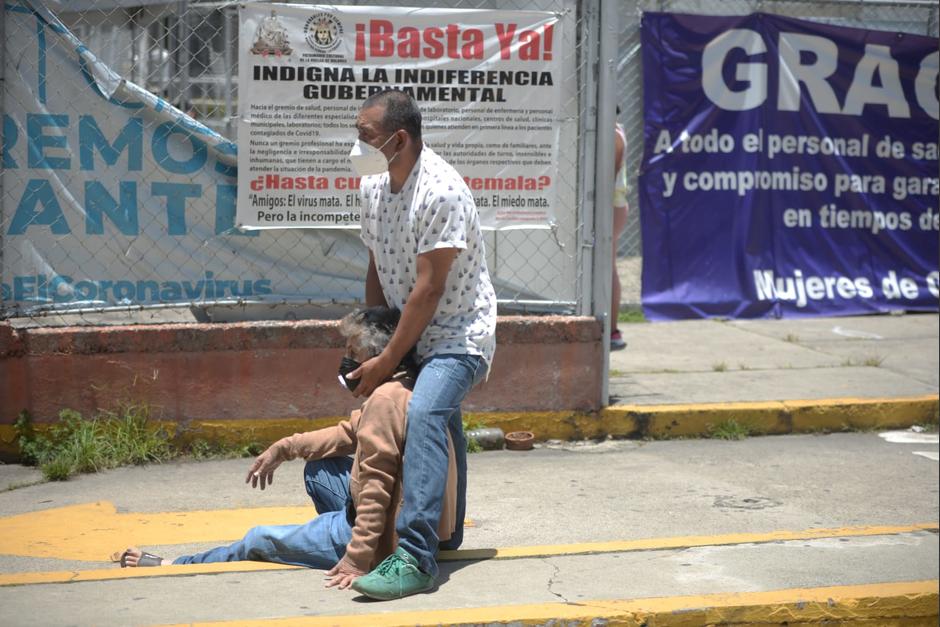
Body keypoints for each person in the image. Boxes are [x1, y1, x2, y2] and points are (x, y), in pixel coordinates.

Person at [117, 306, 458, 592]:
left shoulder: (384, 402)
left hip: (373, 534)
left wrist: (358, 557)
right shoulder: (409, 387)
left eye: (353, 354)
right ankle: (317, 540)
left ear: (378, 356)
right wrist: (285, 448)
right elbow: (346, 433)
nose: (346, 361)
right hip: (391, 521)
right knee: (320, 468)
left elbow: (375, 487)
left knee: (258, 539)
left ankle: (176, 564)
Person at [344, 89, 496, 600]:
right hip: (410, 332)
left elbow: (429, 290)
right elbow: (376, 267)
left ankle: (414, 557)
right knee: (440, 422)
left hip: (459, 335)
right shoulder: (372, 186)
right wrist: (372, 341)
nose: (357, 143)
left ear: (398, 139)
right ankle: (446, 533)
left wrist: (390, 362)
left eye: (365, 135)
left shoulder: (442, 192)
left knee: (428, 412)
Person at [610, 106, 630, 351]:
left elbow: (607, 177)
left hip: (612, 206)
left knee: (608, 266)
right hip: (613, 205)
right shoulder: (612, 131)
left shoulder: (614, 134)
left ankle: (613, 329)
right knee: (607, 266)